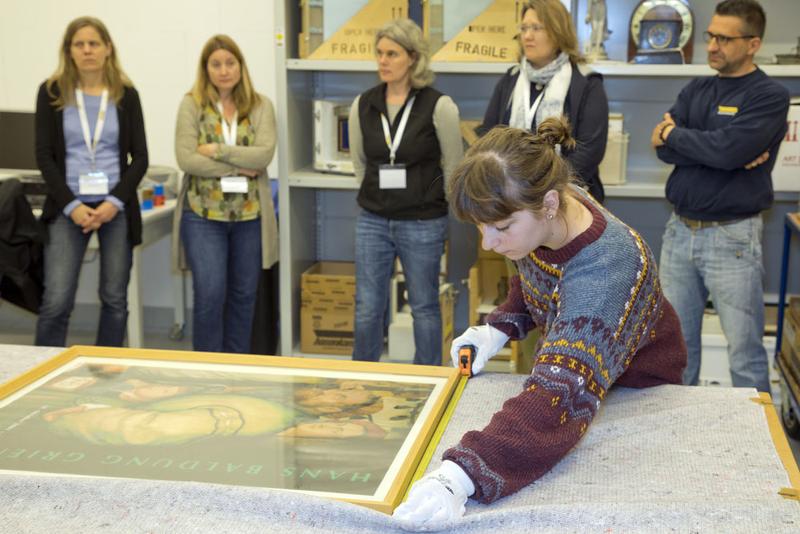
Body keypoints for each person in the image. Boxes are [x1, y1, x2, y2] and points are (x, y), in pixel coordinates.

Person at [392, 119, 687, 529]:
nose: (488, 244)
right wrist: (499, 328)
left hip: (636, 394)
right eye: (480, 227)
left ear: (548, 204)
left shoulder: (609, 269)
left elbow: (555, 400)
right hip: (587, 377)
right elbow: (539, 276)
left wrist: (459, 477)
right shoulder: (555, 210)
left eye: (501, 228)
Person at [651, 0, 789, 394]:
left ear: (753, 44)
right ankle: (682, 436)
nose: (711, 45)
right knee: (677, 348)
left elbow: (726, 150)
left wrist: (679, 137)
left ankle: (760, 448)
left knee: (744, 352)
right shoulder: (696, 88)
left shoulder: (769, 96)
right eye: (711, 36)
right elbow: (663, 148)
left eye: (724, 39)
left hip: (732, 239)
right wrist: (716, 149)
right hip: (679, 232)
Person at [348, 19, 463, 366]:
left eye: (392, 54)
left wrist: (437, 208)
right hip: (373, 220)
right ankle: (362, 378)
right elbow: (359, 163)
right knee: (368, 307)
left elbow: (453, 166)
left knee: (425, 306)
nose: (383, 61)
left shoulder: (439, 106)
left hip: (422, 222)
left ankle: (428, 379)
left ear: (412, 58)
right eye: (380, 53)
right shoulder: (363, 105)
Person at [34, 16, 148, 348]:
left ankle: (105, 375)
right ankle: (43, 375)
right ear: (69, 51)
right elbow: (44, 156)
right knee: (56, 300)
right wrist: (72, 206)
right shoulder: (52, 93)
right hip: (69, 205)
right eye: (79, 44)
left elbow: (139, 157)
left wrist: (114, 203)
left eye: (94, 43)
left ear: (108, 49)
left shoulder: (126, 95)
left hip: (116, 206)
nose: (87, 51)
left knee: (114, 299)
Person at [174, 35, 278, 353]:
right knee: (210, 294)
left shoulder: (260, 106)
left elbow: (263, 156)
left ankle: (237, 368)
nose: (224, 71)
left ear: (240, 66)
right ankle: (208, 369)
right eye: (216, 64)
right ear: (206, 69)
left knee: (244, 295)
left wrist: (217, 150)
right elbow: (186, 158)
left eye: (230, 63)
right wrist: (236, 167)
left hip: (249, 216)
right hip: (203, 216)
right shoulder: (192, 104)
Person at [480, 0, 608, 202]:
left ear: (558, 32)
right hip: (510, 198)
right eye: (524, 28)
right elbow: (488, 136)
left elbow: (590, 150)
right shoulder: (510, 80)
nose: (527, 36)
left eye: (537, 28)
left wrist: (544, 189)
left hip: (568, 198)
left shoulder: (586, 83)